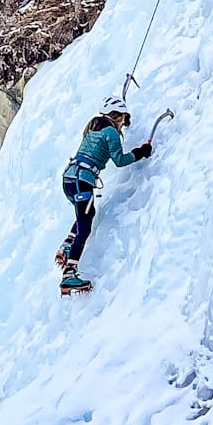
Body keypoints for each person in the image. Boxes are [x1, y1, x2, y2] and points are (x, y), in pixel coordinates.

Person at [56, 105, 153, 293]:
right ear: (118, 116)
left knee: (86, 213)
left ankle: (67, 246)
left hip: (70, 179)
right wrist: (142, 152)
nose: (124, 125)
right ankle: (69, 274)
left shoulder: (93, 125)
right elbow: (120, 160)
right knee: (85, 226)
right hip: (82, 180)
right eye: (124, 120)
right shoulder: (111, 132)